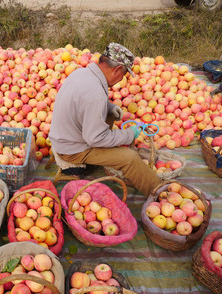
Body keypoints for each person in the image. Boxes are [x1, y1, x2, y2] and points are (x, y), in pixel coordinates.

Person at [49, 42, 162, 197]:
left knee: (108, 117)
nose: (121, 79)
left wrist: (109, 107)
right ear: (116, 70)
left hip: (64, 136)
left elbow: (85, 103)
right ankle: (160, 193)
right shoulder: (95, 95)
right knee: (129, 158)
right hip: (71, 149)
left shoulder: (82, 73)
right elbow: (95, 139)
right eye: (123, 75)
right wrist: (130, 134)